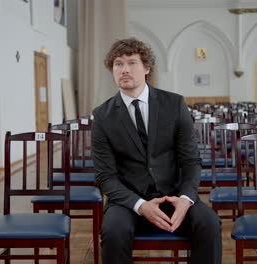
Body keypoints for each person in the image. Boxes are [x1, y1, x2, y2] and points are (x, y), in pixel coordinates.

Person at [91, 37, 222, 264]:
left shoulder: (174, 104)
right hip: (128, 201)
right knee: (113, 231)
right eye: (118, 64)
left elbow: (191, 160)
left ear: (147, 67)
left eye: (132, 63)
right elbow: (106, 177)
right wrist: (140, 206)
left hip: (174, 195)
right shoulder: (103, 116)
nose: (124, 69)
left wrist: (185, 198)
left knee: (209, 223)